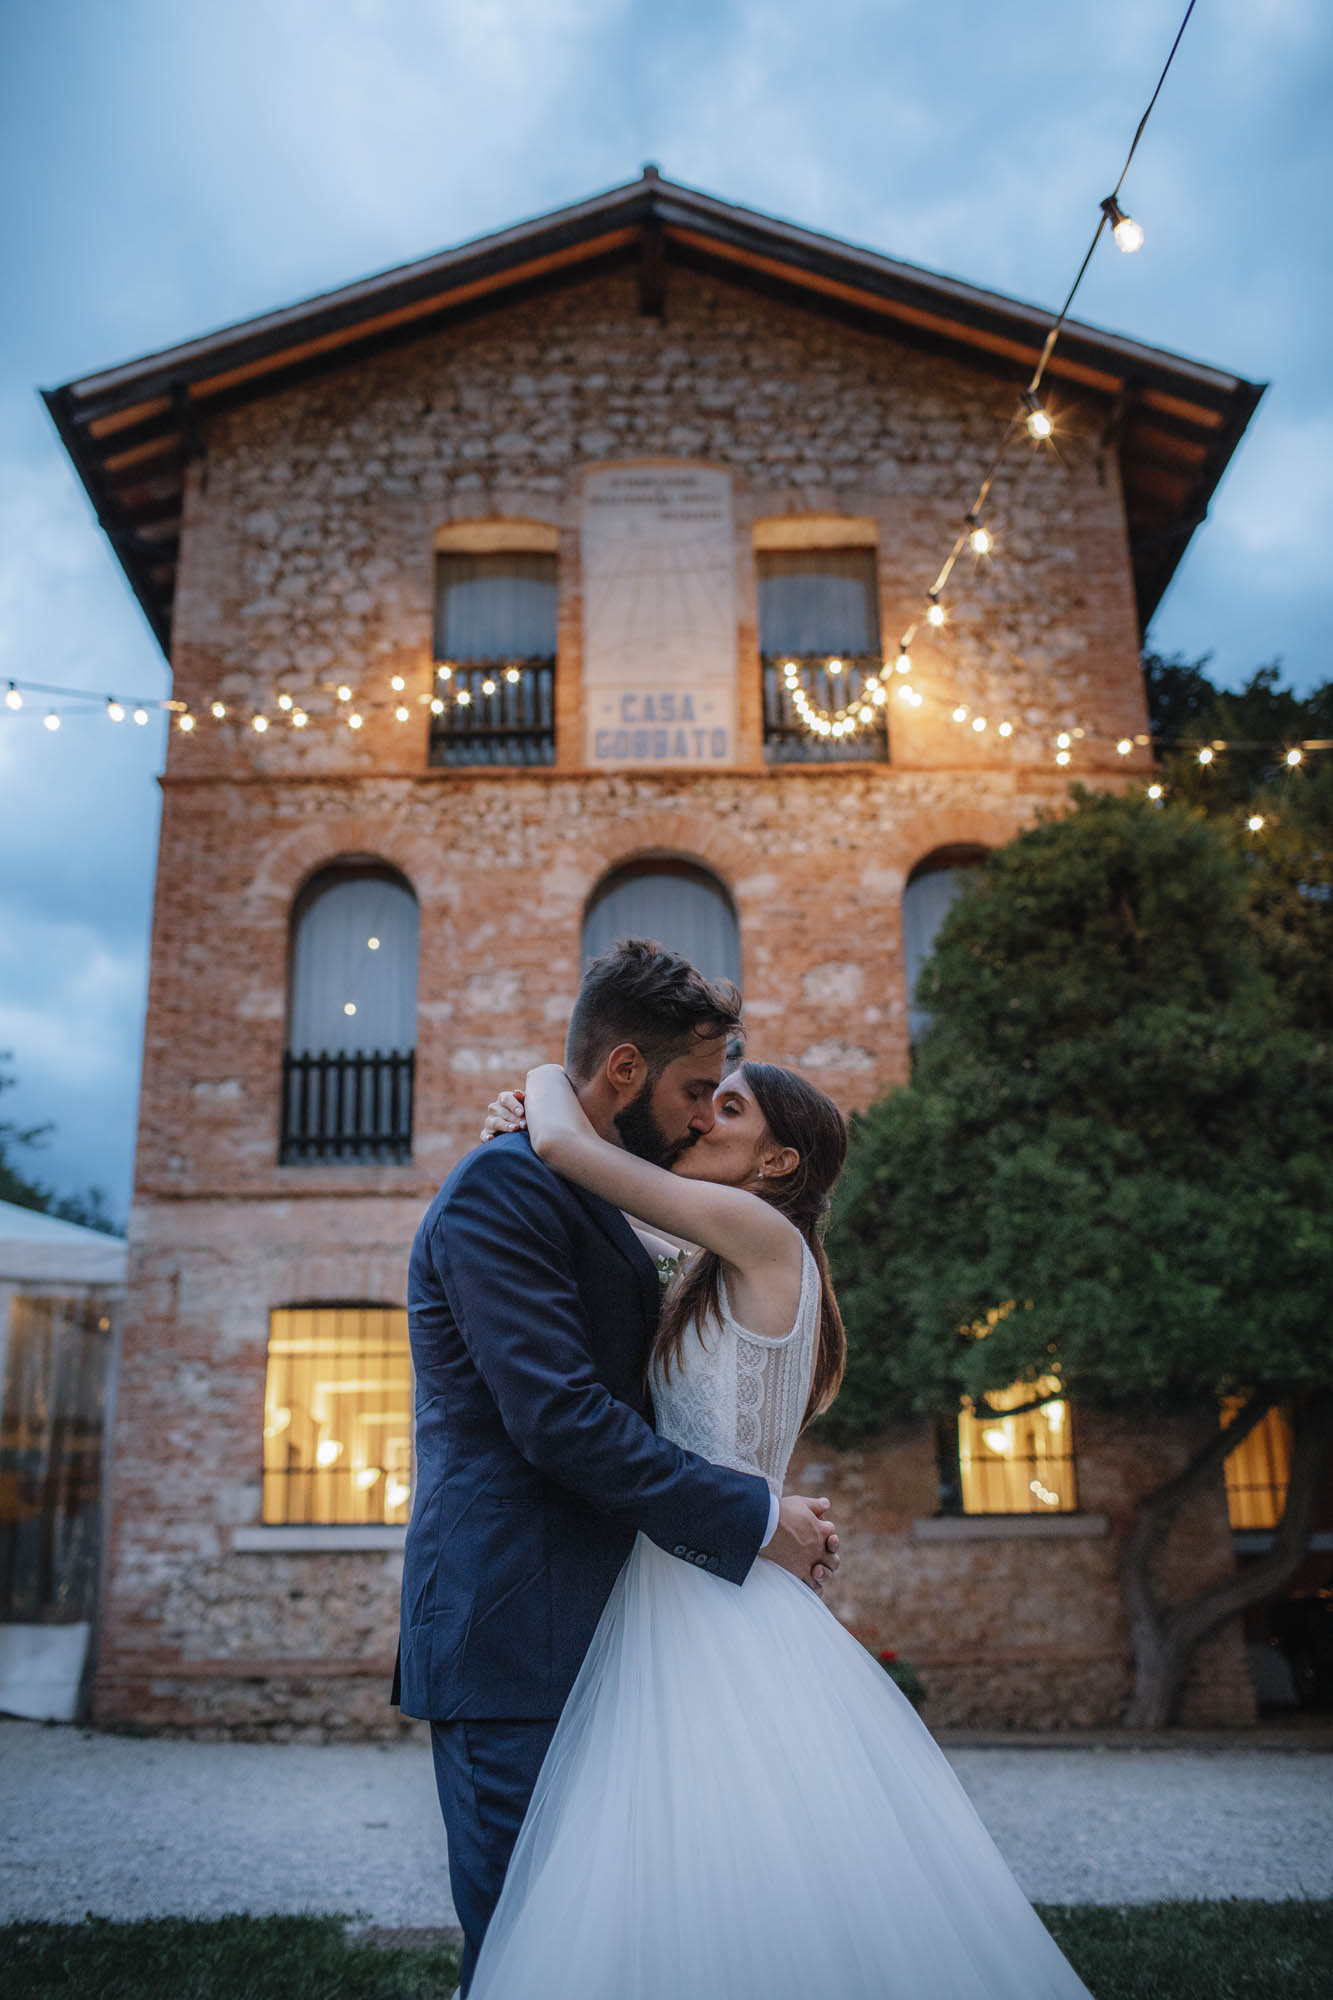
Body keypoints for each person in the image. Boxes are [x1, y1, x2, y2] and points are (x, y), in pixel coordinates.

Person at [464, 1055, 1095, 1999]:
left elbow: (562, 1146)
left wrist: (546, 1076)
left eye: (727, 1111)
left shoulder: (758, 1234)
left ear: (778, 1164)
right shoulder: (705, 1259)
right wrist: (519, 1124)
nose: (698, 1123)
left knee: (733, 1870)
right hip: (679, 1582)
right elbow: (575, 1197)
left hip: (713, 1607)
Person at [394, 940, 840, 1995]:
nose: (699, 1115)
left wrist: (547, 1099)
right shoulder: (505, 1189)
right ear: (629, 1072)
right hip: (519, 1629)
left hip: (625, 1630)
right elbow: (560, 1419)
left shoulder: (610, 1200)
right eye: (697, 1091)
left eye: (721, 1103)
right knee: (529, 1949)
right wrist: (751, 1511)